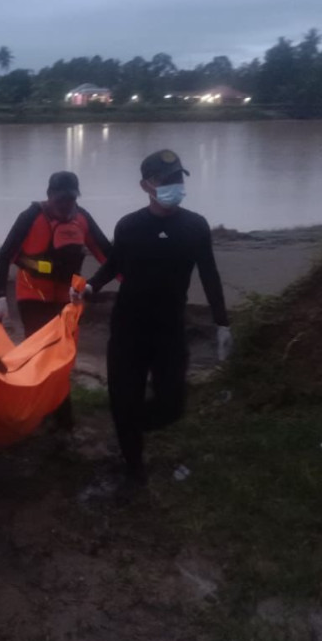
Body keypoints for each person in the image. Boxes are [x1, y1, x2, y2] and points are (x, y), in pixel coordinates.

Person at [77, 150, 233, 489]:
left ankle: (131, 427)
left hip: (169, 330)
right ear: (146, 185)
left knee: (172, 404)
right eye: (166, 180)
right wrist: (92, 285)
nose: (175, 185)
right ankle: (133, 466)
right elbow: (114, 264)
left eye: (179, 178)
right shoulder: (130, 226)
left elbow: (209, 274)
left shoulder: (194, 226)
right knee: (123, 397)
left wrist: (222, 322)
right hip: (128, 328)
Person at [0, 171, 111, 431]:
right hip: (32, 296)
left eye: (70, 200)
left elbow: (109, 255)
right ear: (49, 197)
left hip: (67, 300)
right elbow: (4, 256)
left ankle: (49, 409)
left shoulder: (82, 219)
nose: (66, 206)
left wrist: (109, 282)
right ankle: (62, 420)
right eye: (61, 201)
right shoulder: (31, 217)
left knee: (62, 356)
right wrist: (0, 296)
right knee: (45, 356)